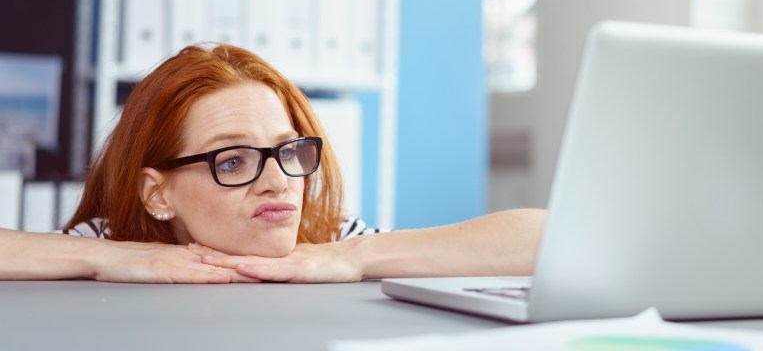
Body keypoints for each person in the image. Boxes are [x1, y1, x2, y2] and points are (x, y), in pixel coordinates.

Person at [0, 43, 546, 283]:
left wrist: (357, 255)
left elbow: (548, 238)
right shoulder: (114, 243)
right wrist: (101, 260)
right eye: (233, 160)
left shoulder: (327, 240)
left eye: (288, 151)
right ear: (157, 194)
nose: (278, 180)